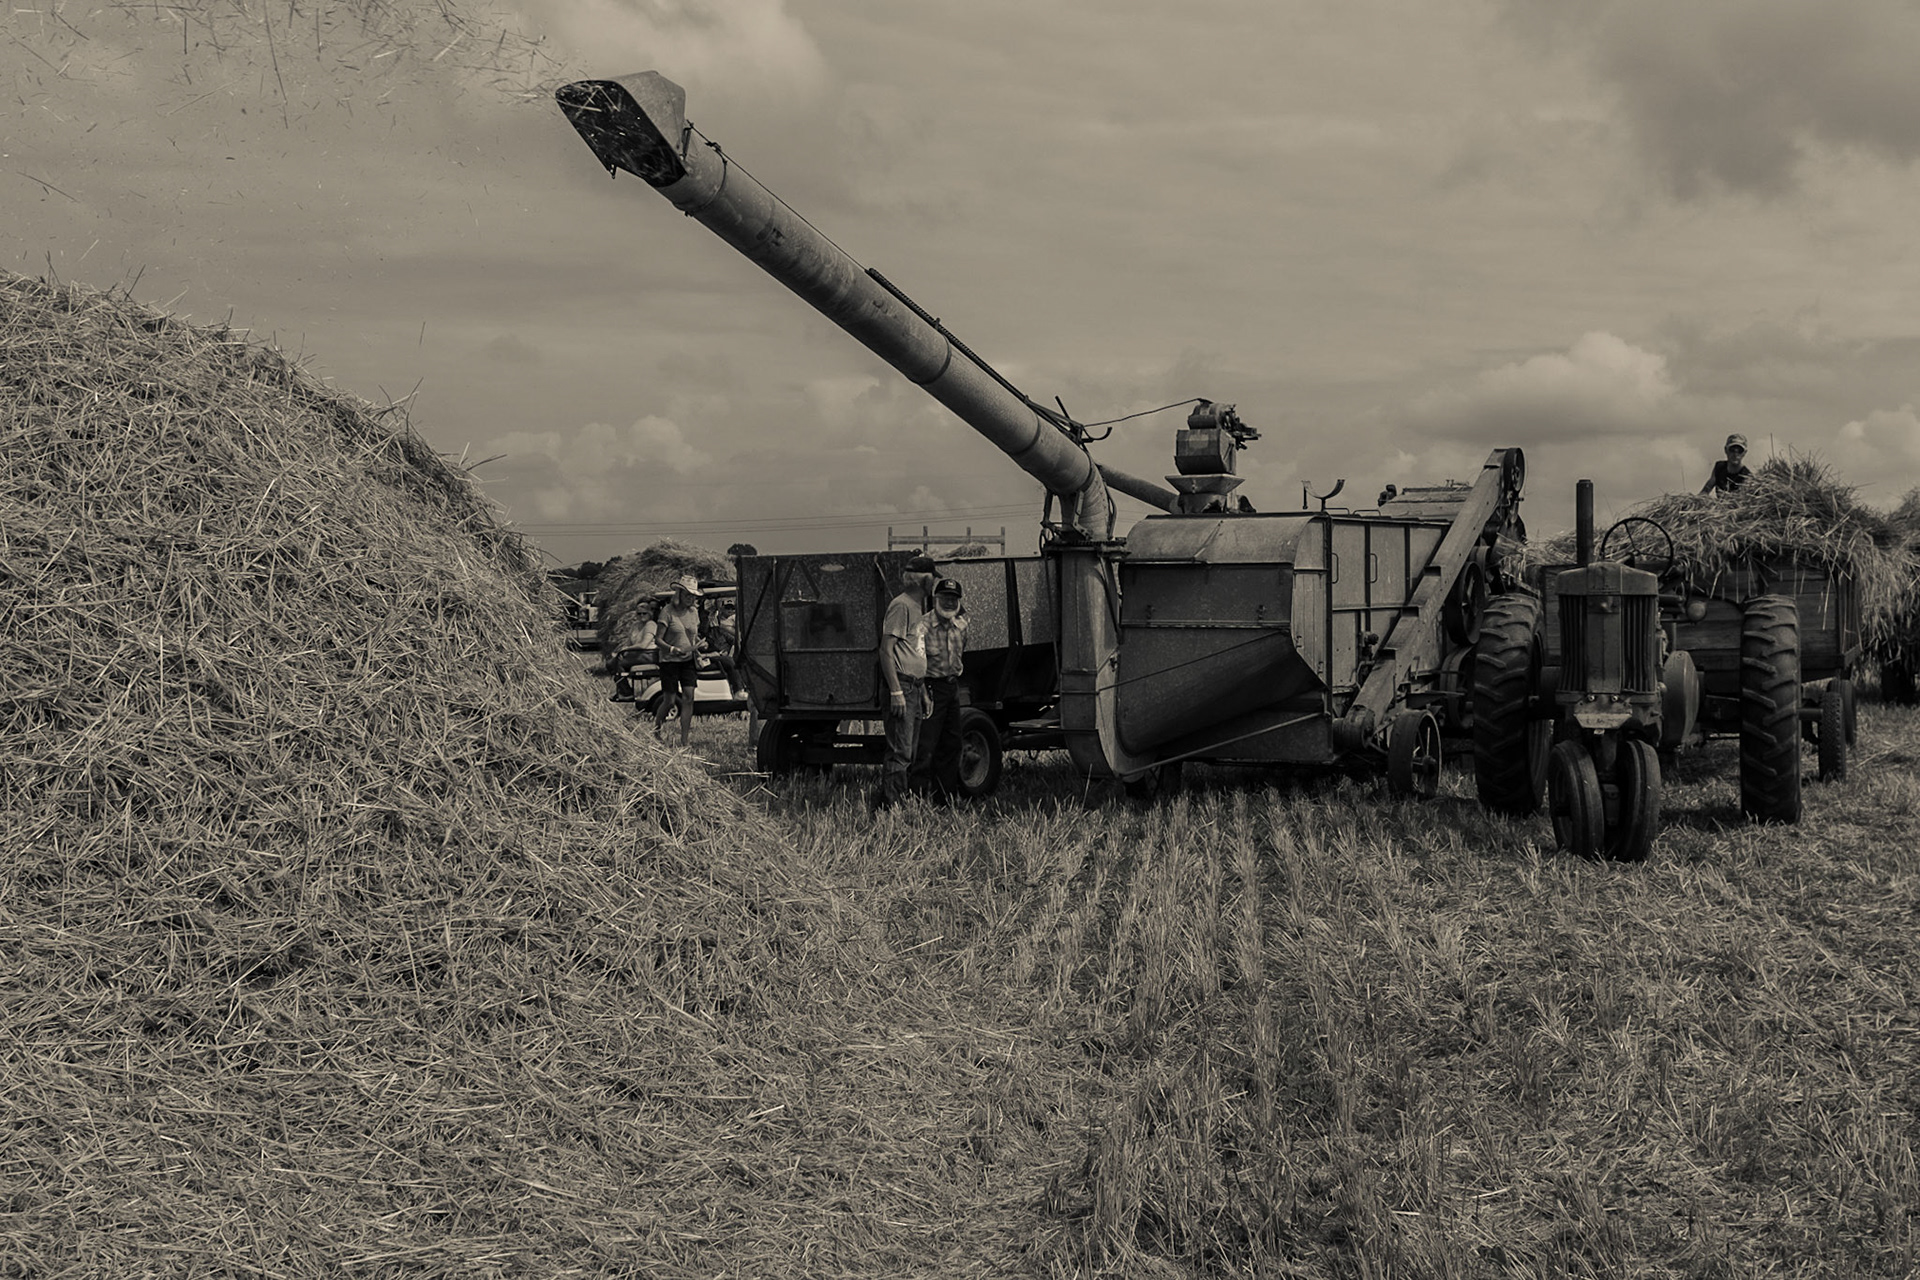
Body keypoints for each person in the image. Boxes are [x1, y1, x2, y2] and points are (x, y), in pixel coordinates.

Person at [870, 553, 937, 811]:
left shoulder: (917, 607)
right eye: (932, 578)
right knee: (900, 751)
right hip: (903, 686)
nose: (934, 583)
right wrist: (896, 691)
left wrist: (923, 691)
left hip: (914, 686)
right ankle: (892, 807)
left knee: (909, 750)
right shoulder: (901, 606)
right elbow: (886, 650)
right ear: (924, 580)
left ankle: (894, 800)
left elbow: (914, 651)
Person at [911, 576, 970, 802]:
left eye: (953, 598)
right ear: (935, 598)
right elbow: (916, 664)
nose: (949, 602)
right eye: (945, 597)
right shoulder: (922, 627)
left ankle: (944, 797)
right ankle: (916, 798)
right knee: (926, 746)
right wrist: (923, 694)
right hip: (930, 688)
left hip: (952, 687)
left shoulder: (961, 626)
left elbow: (961, 653)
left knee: (952, 744)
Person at [654, 575, 704, 746]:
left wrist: (699, 646)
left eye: (693, 596)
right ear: (679, 594)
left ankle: (684, 740)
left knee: (689, 697)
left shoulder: (694, 613)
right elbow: (658, 640)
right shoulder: (667, 612)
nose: (691, 598)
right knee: (670, 700)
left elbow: (693, 636)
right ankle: (656, 730)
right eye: (688, 595)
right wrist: (672, 649)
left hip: (688, 660)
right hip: (669, 661)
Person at [611, 600, 658, 701]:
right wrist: (621, 651)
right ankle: (624, 690)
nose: (642, 616)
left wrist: (626, 650)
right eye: (639, 613)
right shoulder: (635, 625)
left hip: (648, 654)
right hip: (636, 654)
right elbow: (629, 643)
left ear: (649, 613)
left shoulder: (651, 625)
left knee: (616, 663)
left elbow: (644, 645)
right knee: (612, 662)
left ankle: (626, 692)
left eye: (644, 613)